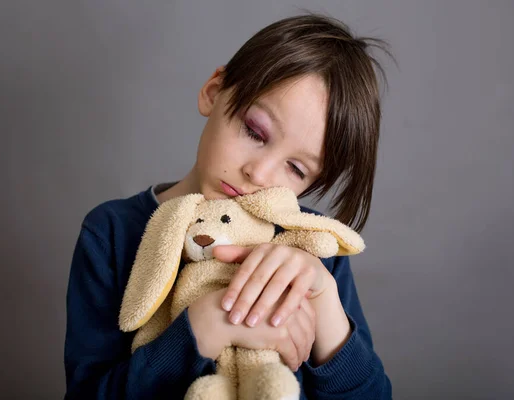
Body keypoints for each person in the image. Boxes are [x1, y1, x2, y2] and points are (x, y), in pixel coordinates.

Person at [64, 13, 393, 399]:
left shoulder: (313, 246)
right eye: (255, 132)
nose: (260, 173)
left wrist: (325, 303)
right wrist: (203, 329)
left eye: (296, 168)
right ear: (213, 90)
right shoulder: (111, 233)